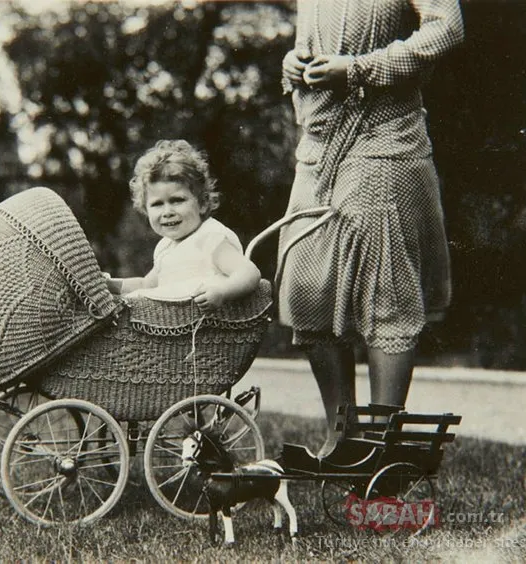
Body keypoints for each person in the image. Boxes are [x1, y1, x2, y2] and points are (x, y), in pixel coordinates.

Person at [279, 0, 464, 456]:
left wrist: (361, 68)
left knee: (387, 294)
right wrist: (294, 63)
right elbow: (313, 40)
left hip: (385, 137)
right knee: (305, 285)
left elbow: (447, 29)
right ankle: (342, 437)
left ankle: (383, 446)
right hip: (319, 144)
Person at [106, 139, 261, 313]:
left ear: (202, 203)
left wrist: (221, 292)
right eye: (157, 204)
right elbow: (146, 284)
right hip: (170, 329)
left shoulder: (210, 238)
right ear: (145, 210)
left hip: (207, 327)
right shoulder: (166, 246)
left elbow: (249, 272)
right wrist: (111, 285)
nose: (167, 212)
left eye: (177, 200)